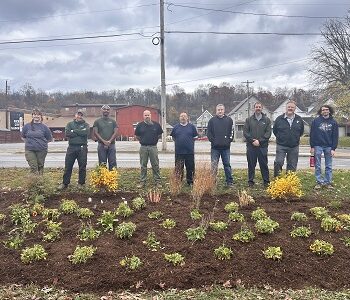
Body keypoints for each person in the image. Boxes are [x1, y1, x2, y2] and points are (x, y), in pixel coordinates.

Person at [310, 105, 339, 189]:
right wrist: (312, 146)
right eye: (323, 110)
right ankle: (319, 182)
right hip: (318, 145)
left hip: (329, 146)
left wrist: (333, 148)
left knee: (328, 165)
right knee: (317, 165)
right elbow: (312, 134)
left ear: (329, 111)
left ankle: (328, 182)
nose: (325, 111)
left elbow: (335, 136)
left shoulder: (333, 122)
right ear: (321, 111)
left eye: (326, 109)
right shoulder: (316, 121)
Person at [243, 101, 271, 187]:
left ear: (262, 108)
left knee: (263, 164)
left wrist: (260, 141)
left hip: (262, 147)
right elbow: (246, 132)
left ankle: (266, 182)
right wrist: (252, 141)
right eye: (256, 107)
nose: (258, 108)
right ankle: (250, 181)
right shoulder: (249, 120)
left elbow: (268, 133)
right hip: (251, 147)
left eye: (259, 107)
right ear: (253, 108)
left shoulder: (266, 120)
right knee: (251, 165)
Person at [273, 100, 304, 177]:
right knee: (278, 162)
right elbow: (275, 131)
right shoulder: (279, 119)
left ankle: (289, 181)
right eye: (289, 107)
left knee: (292, 165)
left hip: (294, 146)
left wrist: (294, 138)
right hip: (281, 145)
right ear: (286, 108)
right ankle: (277, 180)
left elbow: (301, 131)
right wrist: (281, 138)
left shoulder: (299, 119)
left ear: (295, 109)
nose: (290, 108)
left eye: (292, 107)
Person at [59, 109, 90, 189]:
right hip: (71, 147)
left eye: (81, 115)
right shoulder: (69, 124)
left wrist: (74, 131)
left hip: (82, 148)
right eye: (78, 114)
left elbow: (86, 133)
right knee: (68, 166)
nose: (79, 116)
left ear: (82, 116)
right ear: (75, 115)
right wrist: (79, 132)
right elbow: (67, 133)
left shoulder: (86, 125)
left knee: (82, 166)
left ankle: (81, 183)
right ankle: (65, 183)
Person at [134, 110, 163, 188]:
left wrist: (153, 140)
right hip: (143, 148)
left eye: (148, 115)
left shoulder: (156, 125)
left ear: (151, 115)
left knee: (155, 165)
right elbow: (137, 136)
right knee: (143, 165)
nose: (147, 116)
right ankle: (142, 182)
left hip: (153, 147)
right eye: (145, 115)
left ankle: (157, 181)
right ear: (143, 116)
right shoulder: (140, 125)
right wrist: (143, 141)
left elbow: (159, 135)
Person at [207, 104, 234, 187]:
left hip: (226, 148)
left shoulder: (229, 120)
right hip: (215, 148)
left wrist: (228, 141)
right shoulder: (212, 121)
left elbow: (232, 132)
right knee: (214, 166)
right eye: (218, 110)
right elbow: (209, 133)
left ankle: (229, 182)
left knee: (227, 165)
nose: (220, 111)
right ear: (216, 111)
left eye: (221, 109)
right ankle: (213, 182)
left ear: (224, 110)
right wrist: (214, 141)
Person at [21, 109, 52, 175]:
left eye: (38, 114)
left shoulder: (45, 127)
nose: (36, 116)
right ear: (32, 116)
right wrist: (30, 143)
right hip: (30, 150)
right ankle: (34, 181)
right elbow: (23, 137)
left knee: (40, 166)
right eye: (35, 114)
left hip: (42, 150)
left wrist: (41, 143)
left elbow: (49, 139)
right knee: (33, 167)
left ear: (41, 116)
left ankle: (40, 181)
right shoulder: (26, 126)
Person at [170, 112, 198, 185]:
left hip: (189, 152)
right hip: (179, 152)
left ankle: (190, 182)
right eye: (181, 116)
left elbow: (195, 137)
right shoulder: (176, 127)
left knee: (190, 168)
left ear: (187, 118)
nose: (183, 117)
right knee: (178, 168)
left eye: (184, 116)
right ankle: (178, 181)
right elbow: (173, 137)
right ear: (179, 118)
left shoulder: (192, 127)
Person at [93, 105, 118, 170]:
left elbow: (115, 132)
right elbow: (95, 132)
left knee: (112, 163)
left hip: (111, 145)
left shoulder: (113, 121)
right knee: (102, 164)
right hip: (101, 145)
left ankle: (112, 178)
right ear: (101, 110)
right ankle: (103, 178)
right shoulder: (97, 121)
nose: (106, 110)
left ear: (109, 111)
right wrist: (104, 141)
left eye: (107, 109)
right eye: (104, 109)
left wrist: (109, 141)